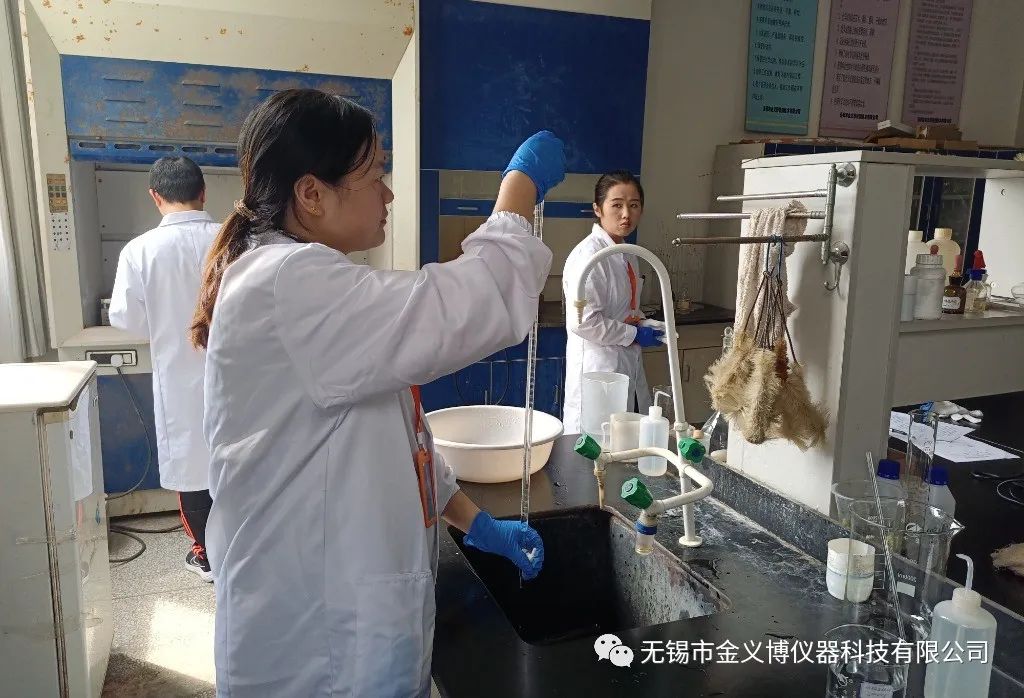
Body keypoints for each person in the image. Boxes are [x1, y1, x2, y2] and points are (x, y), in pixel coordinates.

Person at [190, 88, 563, 696]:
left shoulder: (308, 280)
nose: (387, 194)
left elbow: (393, 439)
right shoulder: (290, 284)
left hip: (340, 607)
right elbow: (468, 303)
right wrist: (518, 190)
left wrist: (472, 520)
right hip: (315, 637)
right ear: (312, 194)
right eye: (375, 176)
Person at [108, 156, 219, 582]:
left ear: (155, 197)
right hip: (240, 378)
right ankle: (247, 550)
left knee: (193, 467)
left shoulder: (139, 250)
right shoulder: (235, 240)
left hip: (179, 379)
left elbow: (127, 320)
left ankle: (207, 555)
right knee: (241, 462)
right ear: (203, 192)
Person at [561, 171, 661, 434]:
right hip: (598, 369)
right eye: (617, 205)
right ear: (598, 209)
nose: (626, 214)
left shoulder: (627, 255)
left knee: (621, 440)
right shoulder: (589, 256)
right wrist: (634, 334)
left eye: (634, 205)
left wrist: (645, 324)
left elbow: (625, 310)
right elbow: (584, 322)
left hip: (623, 365)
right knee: (594, 442)